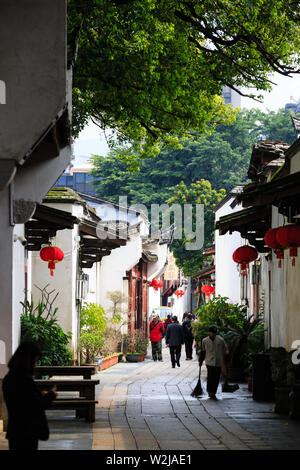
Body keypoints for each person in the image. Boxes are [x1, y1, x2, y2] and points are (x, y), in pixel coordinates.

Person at [2, 341, 57, 450]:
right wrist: (51, 395)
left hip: (15, 430)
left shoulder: (9, 378)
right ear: (28, 360)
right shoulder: (24, 380)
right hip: (27, 431)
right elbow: (35, 405)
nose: (35, 364)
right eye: (35, 361)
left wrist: (38, 394)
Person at [199, 325, 230, 399]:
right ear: (209, 332)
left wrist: (226, 362)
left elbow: (225, 351)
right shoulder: (205, 341)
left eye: (215, 333)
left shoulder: (220, 340)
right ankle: (210, 391)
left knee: (216, 377)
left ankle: (213, 391)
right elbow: (203, 352)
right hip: (209, 361)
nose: (213, 334)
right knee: (210, 376)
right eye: (212, 333)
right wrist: (200, 360)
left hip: (219, 362)